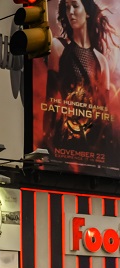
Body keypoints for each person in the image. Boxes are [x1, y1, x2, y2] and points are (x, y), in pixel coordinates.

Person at [44, 0, 118, 156]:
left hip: (91, 143)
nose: (70, 12)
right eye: (67, 8)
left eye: (75, 6)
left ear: (88, 12)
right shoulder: (58, 47)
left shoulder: (101, 61)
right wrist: (46, 141)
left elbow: (104, 116)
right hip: (63, 137)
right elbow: (50, 101)